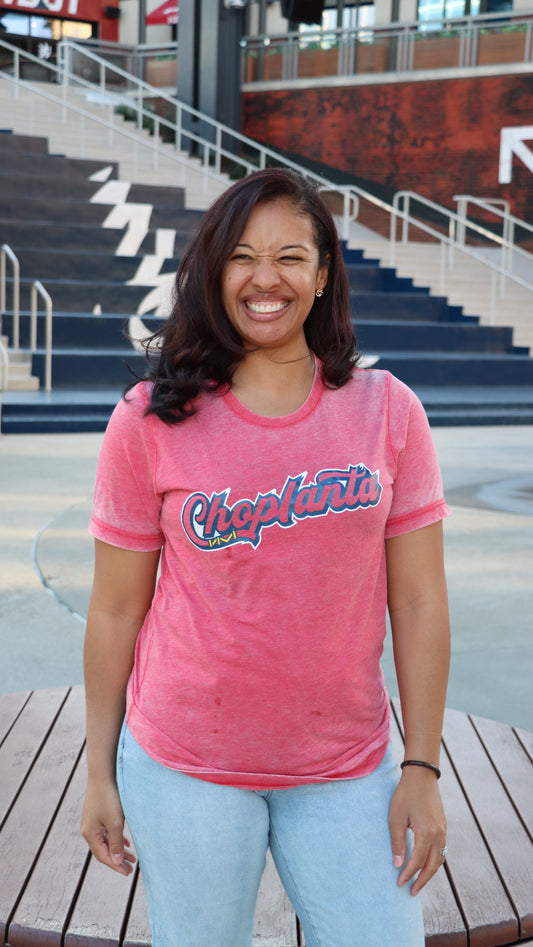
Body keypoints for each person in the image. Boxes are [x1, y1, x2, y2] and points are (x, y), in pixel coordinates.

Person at [81, 167, 450, 947]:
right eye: (242, 256)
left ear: (322, 276)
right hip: (187, 764)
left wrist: (419, 766)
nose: (264, 278)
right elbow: (117, 608)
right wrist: (100, 773)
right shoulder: (149, 421)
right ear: (214, 273)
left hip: (347, 766)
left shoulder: (388, 412)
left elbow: (417, 601)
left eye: (290, 256)